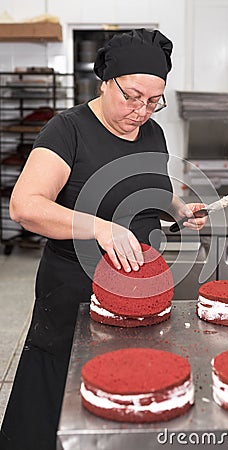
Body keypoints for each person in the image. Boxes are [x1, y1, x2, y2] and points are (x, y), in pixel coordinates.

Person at [0, 29, 207, 450]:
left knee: (128, 391)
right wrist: (99, 226)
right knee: (59, 399)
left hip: (142, 289)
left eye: (153, 101)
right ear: (105, 80)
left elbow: (150, 186)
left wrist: (177, 208)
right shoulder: (67, 130)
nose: (141, 110)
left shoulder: (152, 133)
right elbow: (25, 205)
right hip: (75, 290)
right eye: (132, 96)